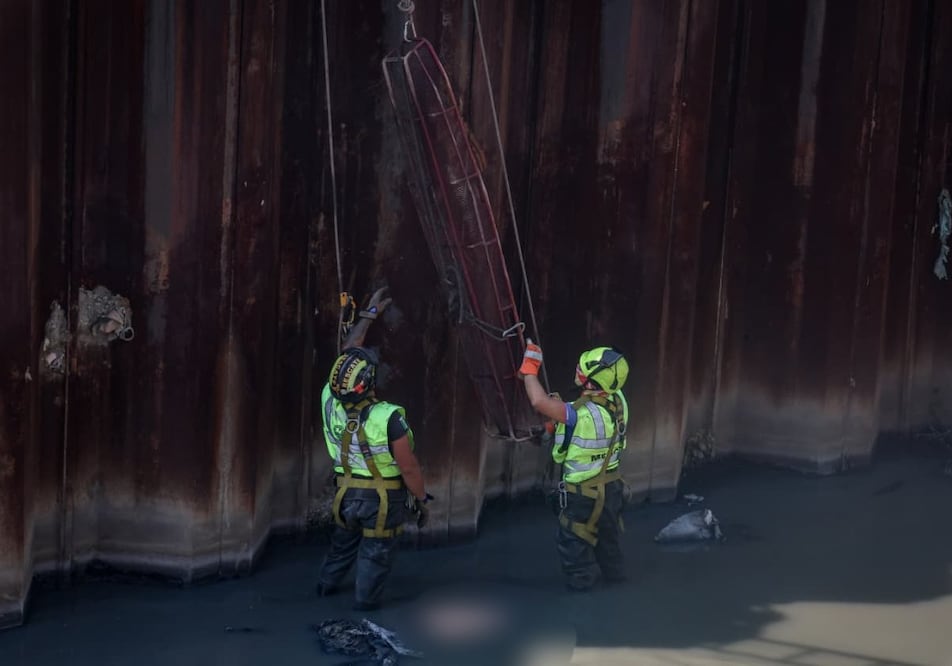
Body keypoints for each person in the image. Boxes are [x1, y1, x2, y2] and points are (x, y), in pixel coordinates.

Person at [316, 286, 431, 611]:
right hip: (382, 500)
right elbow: (409, 468)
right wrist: (422, 501)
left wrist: (368, 316)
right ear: (366, 384)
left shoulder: (329, 397)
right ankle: (365, 610)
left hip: (345, 495)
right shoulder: (388, 417)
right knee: (375, 555)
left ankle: (325, 589)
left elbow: (348, 352)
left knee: (341, 547)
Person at [518, 339, 630, 591]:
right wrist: (556, 421)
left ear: (593, 382)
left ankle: (583, 600)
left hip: (581, 496)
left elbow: (538, 402)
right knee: (609, 544)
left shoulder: (577, 413)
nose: (577, 371)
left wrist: (529, 371)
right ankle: (618, 588)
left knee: (575, 547)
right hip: (611, 489)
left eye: (582, 370)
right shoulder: (620, 401)